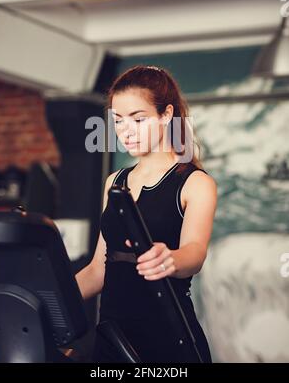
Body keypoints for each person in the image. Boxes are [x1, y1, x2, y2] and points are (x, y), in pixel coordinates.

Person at [76, 65, 217, 363]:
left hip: (170, 343)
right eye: (117, 121)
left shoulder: (195, 183)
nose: (126, 131)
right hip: (113, 341)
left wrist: (170, 258)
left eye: (138, 119)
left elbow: (194, 254)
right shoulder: (114, 183)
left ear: (166, 115)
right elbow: (97, 271)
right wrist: (42, 301)